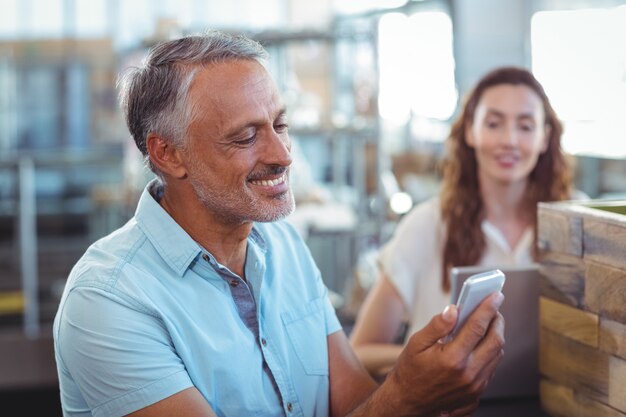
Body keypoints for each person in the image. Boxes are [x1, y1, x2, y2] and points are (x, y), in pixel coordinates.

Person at [53, 30, 505, 417]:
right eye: (246, 136)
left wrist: (429, 394)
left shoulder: (282, 244)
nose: (283, 155)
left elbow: (355, 406)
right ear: (168, 154)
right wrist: (405, 394)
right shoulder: (109, 300)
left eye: (280, 124)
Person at [349, 66, 573, 378]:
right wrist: (440, 358)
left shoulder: (574, 223)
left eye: (525, 126)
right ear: (470, 130)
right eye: (494, 123)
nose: (509, 140)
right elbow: (360, 350)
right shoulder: (426, 225)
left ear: (545, 137)